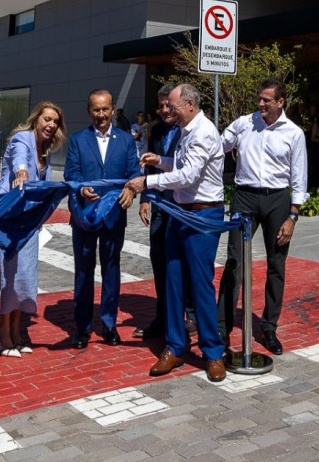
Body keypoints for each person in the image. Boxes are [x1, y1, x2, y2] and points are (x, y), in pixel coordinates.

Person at [126, 84, 227, 383]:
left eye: (173, 106)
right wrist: (160, 161)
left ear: (191, 104)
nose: (168, 111)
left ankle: (212, 353)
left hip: (202, 214)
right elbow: (181, 166)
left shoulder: (204, 132)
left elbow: (189, 175)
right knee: (172, 280)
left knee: (200, 284)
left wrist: (147, 182)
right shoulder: (186, 129)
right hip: (180, 212)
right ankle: (174, 347)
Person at [216, 78, 308, 356]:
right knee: (235, 261)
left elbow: (299, 178)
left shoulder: (294, 133)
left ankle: (268, 327)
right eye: (260, 98)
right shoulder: (245, 123)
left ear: (280, 102)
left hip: (277, 199)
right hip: (244, 196)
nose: (261, 103)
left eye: (267, 100)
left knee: (276, 263)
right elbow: (217, 147)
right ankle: (222, 328)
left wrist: (293, 216)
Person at [0, 101, 66, 356]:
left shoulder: (46, 151)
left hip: (29, 224)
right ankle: (2, 329)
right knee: (10, 278)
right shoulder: (22, 139)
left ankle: (17, 330)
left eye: (55, 121)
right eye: (47, 119)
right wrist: (21, 174)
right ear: (36, 120)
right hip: (8, 222)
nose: (50, 125)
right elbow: (20, 160)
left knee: (24, 277)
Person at [64, 89, 144, 348]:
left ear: (112, 110)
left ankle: (109, 324)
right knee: (84, 271)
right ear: (89, 111)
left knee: (111, 269)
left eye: (105, 109)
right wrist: (80, 189)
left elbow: (134, 172)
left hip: (113, 216)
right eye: (96, 109)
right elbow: (71, 173)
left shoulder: (126, 140)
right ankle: (83, 327)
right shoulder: (78, 140)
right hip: (85, 216)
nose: (101, 114)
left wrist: (131, 189)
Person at [135, 83, 191, 341]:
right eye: (161, 105)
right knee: (158, 258)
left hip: (182, 205)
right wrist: (145, 198)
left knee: (185, 261)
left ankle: (190, 315)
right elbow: (151, 166)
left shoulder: (188, 130)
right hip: (159, 203)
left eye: (169, 105)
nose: (165, 110)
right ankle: (164, 315)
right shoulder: (156, 130)